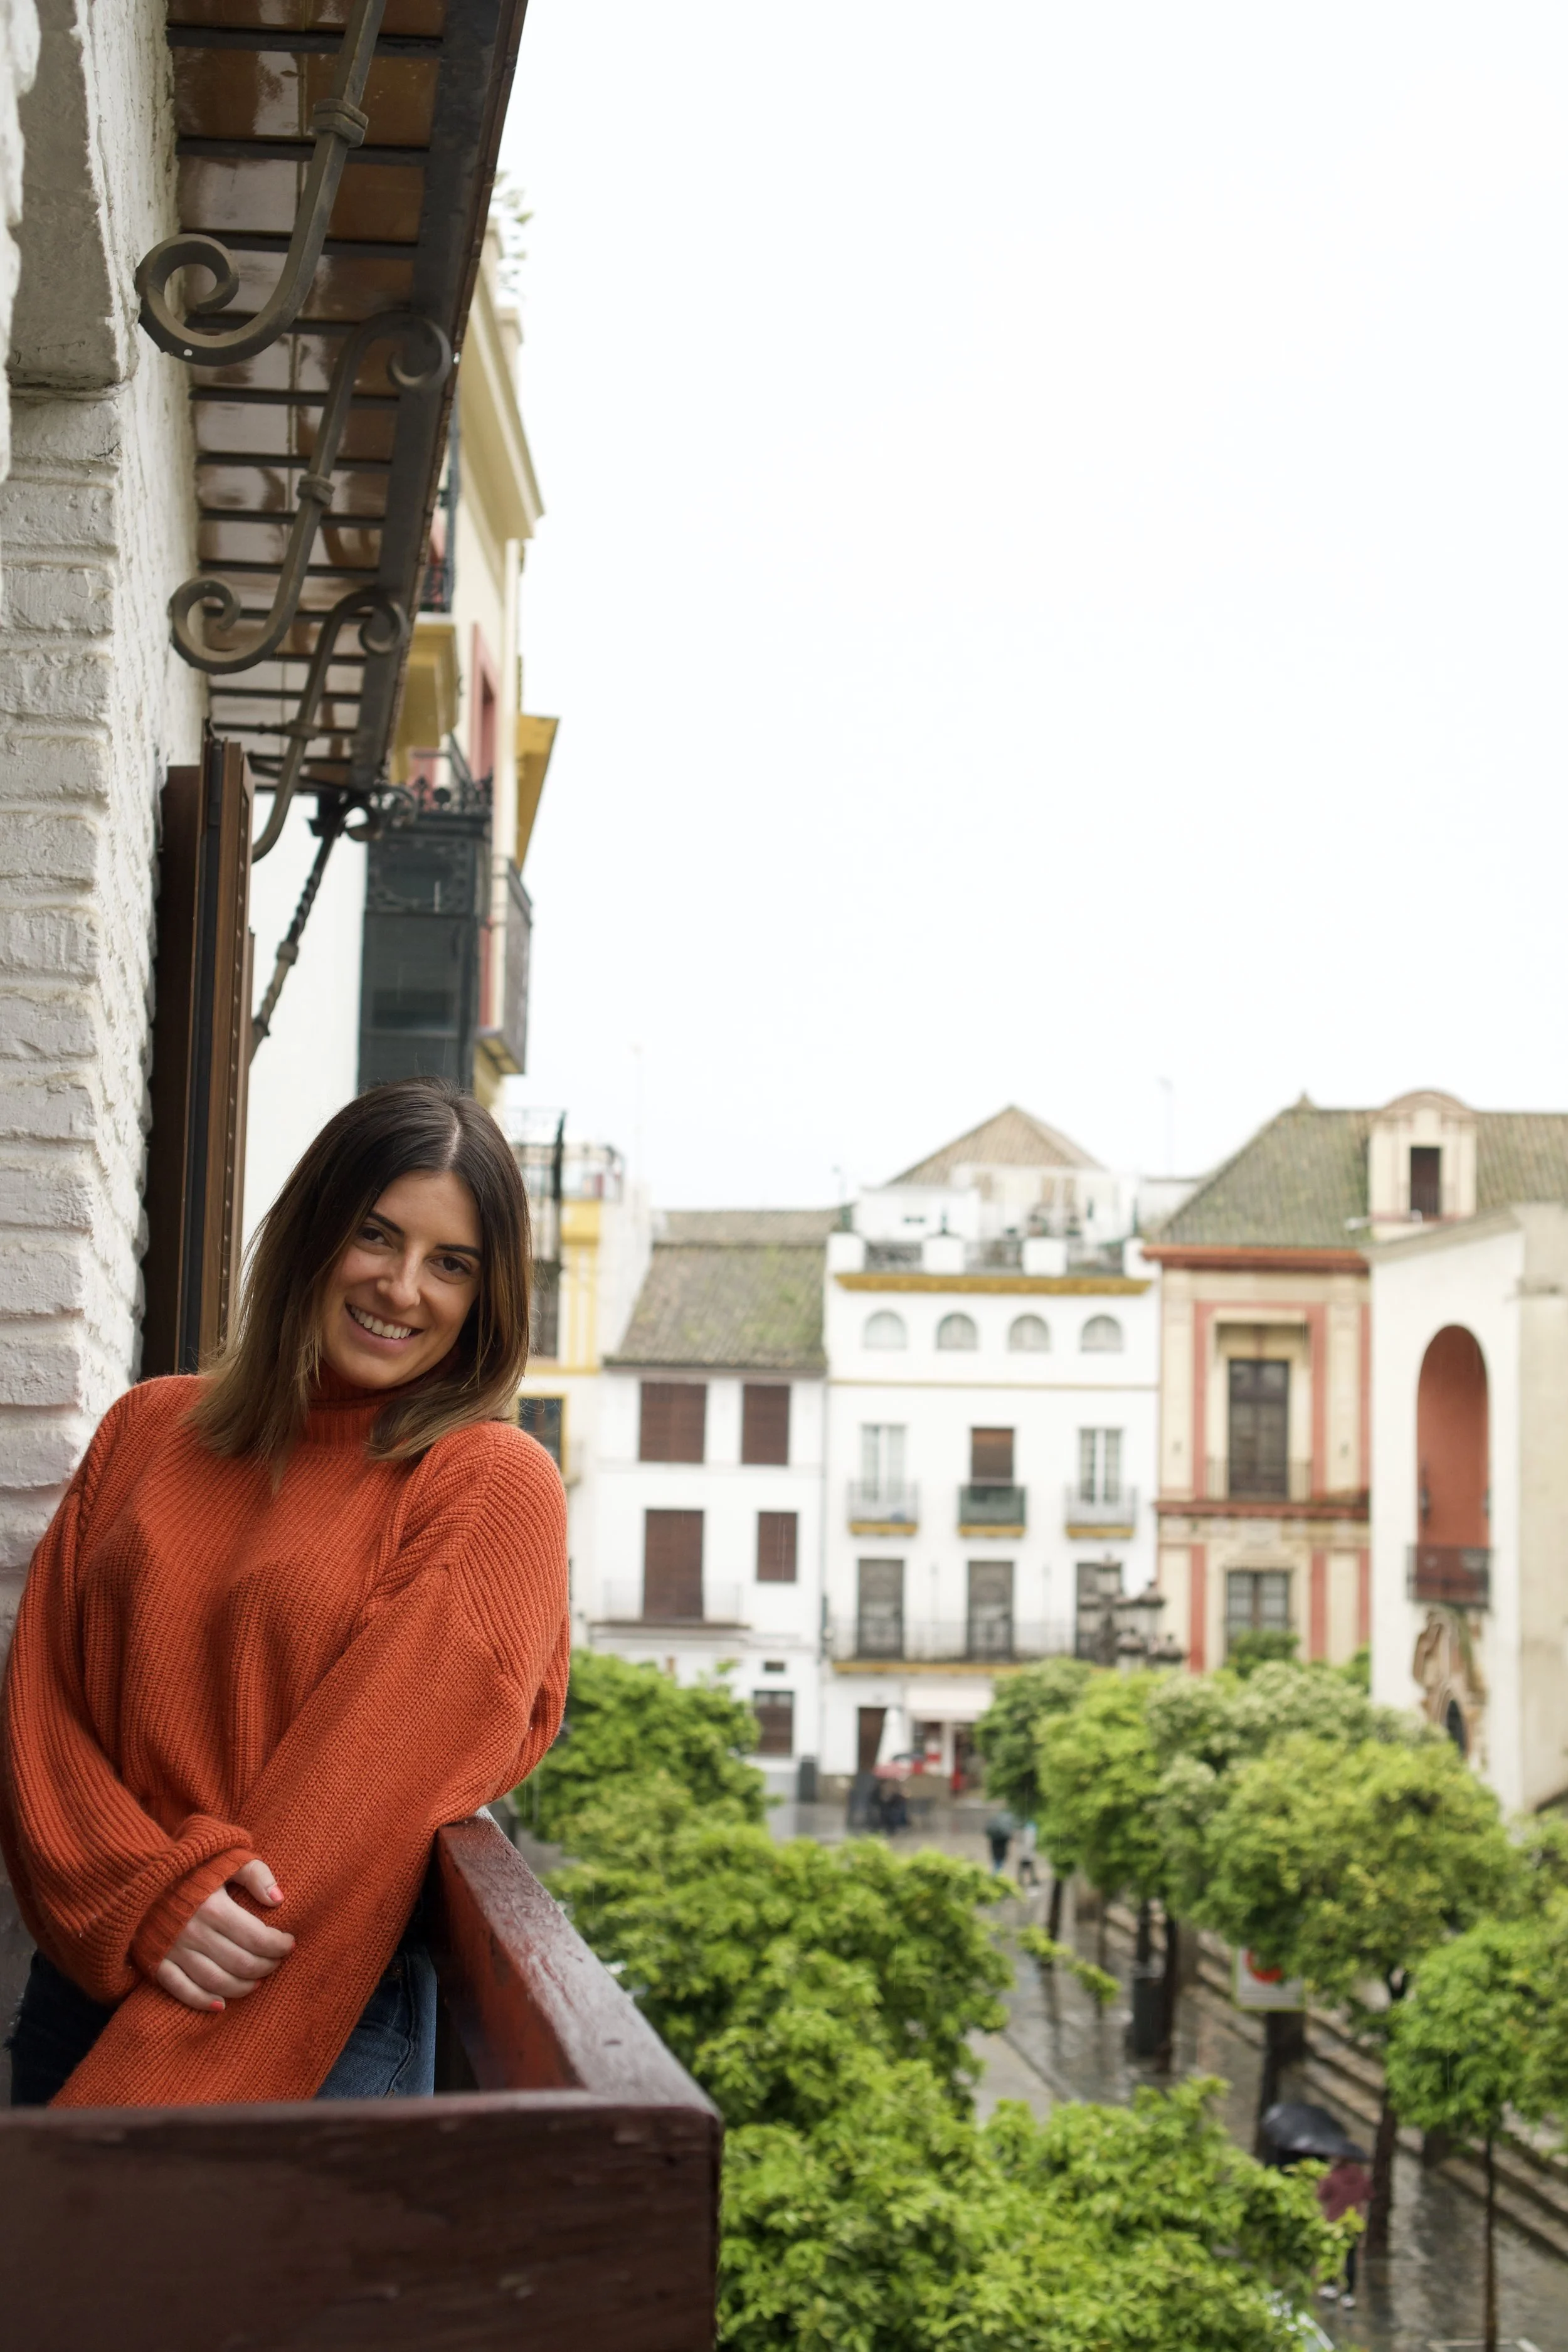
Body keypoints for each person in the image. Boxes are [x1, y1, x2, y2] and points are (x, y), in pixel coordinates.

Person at [1, 1077, 569, 2109]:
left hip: (305, 2020)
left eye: (451, 1265)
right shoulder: (147, 1431)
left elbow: (351, 1820)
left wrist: (130, 2111)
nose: (403, 1287)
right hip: (82, 1988)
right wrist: (141, 1892)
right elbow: (41, 1713)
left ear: (486, 1299)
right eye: (375, 1236)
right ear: (310, 1234)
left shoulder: (487, 1482)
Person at [1315, 2153, 1371, 2308]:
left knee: (1332, 2255)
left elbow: (1322, 2196)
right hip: (1354, 2223)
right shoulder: (1361, 2177)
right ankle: (1349, 2294)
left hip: (1334, 2222)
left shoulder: (1332, 2176)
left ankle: (1330, 2286)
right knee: (1351, 2258)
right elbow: (1369, 2195)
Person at [985, 1809, 1016, 1875]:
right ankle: (996, 1876)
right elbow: (1009, 1838)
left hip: (995, 1850)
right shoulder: (1004, 1831)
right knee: (999, 1864)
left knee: (997, 1863)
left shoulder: (995, 1830)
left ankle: (996, 1875)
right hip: (1002, 1851)